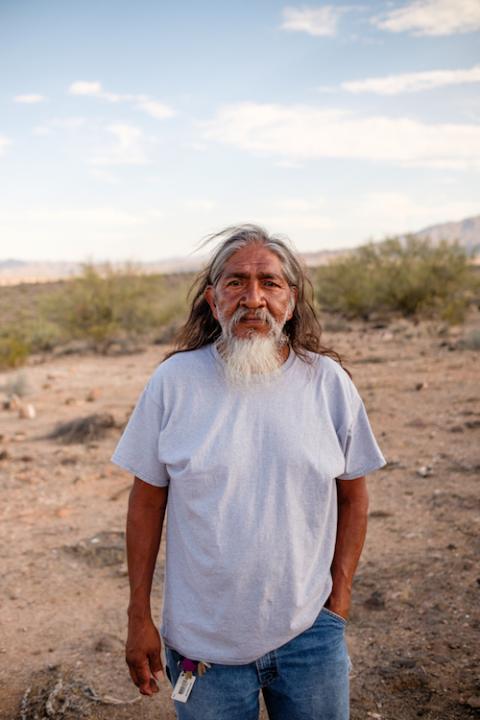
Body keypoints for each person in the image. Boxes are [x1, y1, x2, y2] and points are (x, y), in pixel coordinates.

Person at [111, 224, 385, 720]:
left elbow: (353, 496)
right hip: (201, 648)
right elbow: (146, 503)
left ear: (292, 300)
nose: (252, 298)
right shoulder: (174, 383)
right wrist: (138, 616)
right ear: (213, 299)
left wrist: (337, 604)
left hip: (310, 635)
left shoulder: (328, 385)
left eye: (270, 282)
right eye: (236, 282)